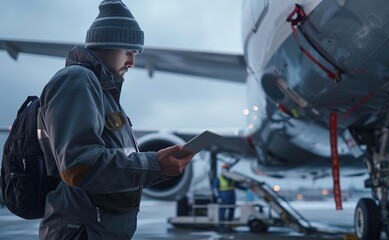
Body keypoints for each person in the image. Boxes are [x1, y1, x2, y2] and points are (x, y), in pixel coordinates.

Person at [36, 1, 193, 239]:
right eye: (128, 52)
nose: (132, 62)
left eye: (136, 54)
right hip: (83, 231)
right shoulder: (77, 80)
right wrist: (153, 164)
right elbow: (78, 165)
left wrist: (162, 169)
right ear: (106, 45)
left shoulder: (103, 92)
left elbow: (113, 172)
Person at [211, 164, 245, 232]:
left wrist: (247, 188)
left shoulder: (232, 179)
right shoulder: (219, 178)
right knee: (222, 211)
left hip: (232, 196)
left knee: (231, 211)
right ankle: (221, 227)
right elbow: (214, 189)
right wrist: (218, 197)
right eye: (225, 169)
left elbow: (238, 185)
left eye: (227, 169)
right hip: (223, 196)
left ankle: (230, 226)